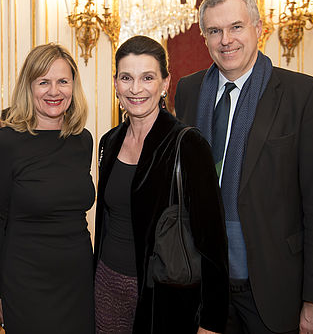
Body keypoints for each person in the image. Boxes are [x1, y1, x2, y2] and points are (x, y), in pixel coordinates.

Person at [175, 0, 313, 334]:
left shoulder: (304, 95)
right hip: (203, 281)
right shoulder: (189, 90)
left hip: (272, 284)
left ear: (258, 28)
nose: (226, 40)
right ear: (204, 37)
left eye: (236, 26)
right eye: (215, 31)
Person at [93, 35, 229, 334]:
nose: (136, 89)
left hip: (164, 296)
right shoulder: (109, 141)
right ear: (115, 83)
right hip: (106, 285)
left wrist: (211, 321)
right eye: (126, 77)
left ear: (165, 83)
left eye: (148, 77)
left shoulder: (188, 144)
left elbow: (213, 241)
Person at [0, 43, 95, 334]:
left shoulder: (83, 141)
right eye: (43, 82)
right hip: (26, 282)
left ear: (73, 86)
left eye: (62, 81)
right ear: (28, 87)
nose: (54, 91)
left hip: (78, 279)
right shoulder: (6, 142)